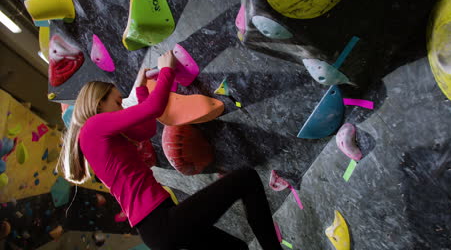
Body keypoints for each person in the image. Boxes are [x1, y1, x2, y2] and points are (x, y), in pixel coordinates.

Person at [57, 51, 282, 250]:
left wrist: (141, 89)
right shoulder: (93, 127)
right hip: (159, 222)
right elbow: (154, 108)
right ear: (98, 104)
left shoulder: (99, 137)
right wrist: (167, 70)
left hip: (157, 226)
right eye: (117, 102)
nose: (120, 106)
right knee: (246, 178)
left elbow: (145, 130)